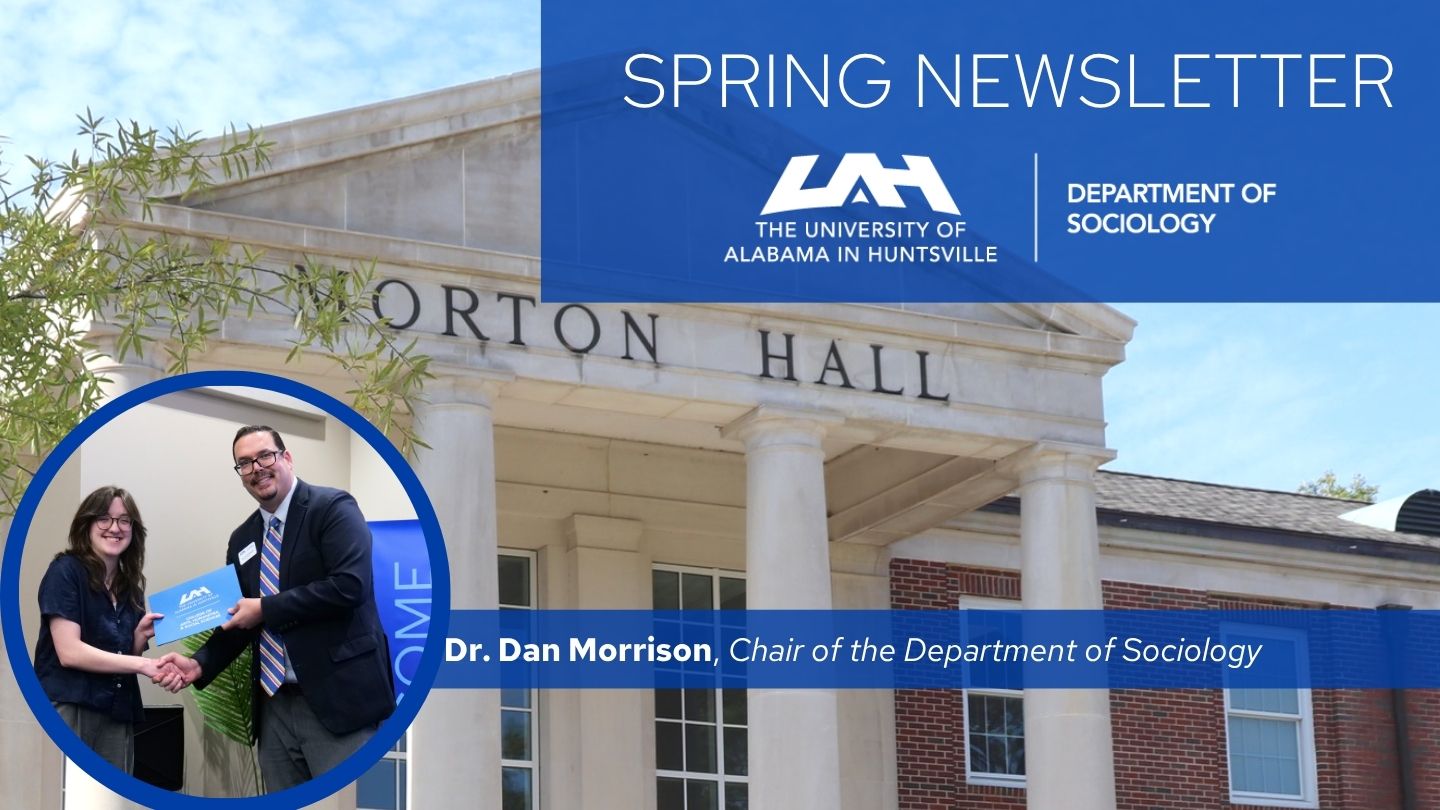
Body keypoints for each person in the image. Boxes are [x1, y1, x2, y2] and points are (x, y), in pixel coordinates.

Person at [156, 425, 394, 792]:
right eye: (244, 463)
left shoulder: (331, 508)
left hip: (338, 702)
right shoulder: (242, 539)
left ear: (286, 458)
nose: (256, 468)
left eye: (264, 456)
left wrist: (266, 608)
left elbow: (350, 585)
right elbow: (242, 618)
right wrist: (199, 663)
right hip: (274, 707)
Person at [34, 486, 164, 774]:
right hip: (71, 706)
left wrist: (139, 637)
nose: (114, 528)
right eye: (104, 518)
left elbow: (121, 657)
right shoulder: (65, 571)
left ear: (134, 529)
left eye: (124, 520)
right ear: (87, 524)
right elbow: (69, 652)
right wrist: (143, 662)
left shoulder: (131, 583)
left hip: (117, 709)